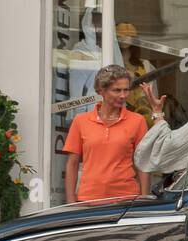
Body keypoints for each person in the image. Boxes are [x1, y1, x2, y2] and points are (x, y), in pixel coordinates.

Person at [62, 65, 149, 202]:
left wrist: (144, 198)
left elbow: (143, 162)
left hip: (125, 199)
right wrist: (70, 201)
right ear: (101, 90)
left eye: (126, 90)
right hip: (88, 200)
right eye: (117, 90)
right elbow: (72, 163)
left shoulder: (137, 121)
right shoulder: (81, 121)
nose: (123, 95)